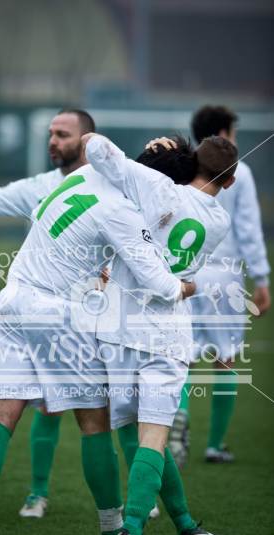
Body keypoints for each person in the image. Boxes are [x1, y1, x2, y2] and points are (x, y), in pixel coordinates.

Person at [0, 138, 196, 534]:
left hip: (13, 295)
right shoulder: (123, 211)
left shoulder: (88, 171)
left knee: (2, 413)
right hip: (54, 309)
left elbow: (57, 219)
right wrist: (190, 286)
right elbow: (157, 283)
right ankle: (113, 525)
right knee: (96, 419)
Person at [84, 132, 238, 535]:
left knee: (140, 433)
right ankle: (139, 527)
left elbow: (95, 148)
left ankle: (179, 523)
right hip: (167, 330)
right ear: (230, 182)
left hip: (119, 327)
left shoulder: (155, 185)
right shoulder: (220, 220)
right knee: (155, 434)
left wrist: (152, 151)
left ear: (189, 164)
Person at [169, 105, 271, 465]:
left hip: (185, 276)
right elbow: (248, 228)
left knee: (182, 359)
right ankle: (215, 444)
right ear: (225, 134)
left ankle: (176, 424)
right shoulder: (238, 171)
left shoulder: (182, 168)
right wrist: (261, 277)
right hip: (224, 277)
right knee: (225, 359)